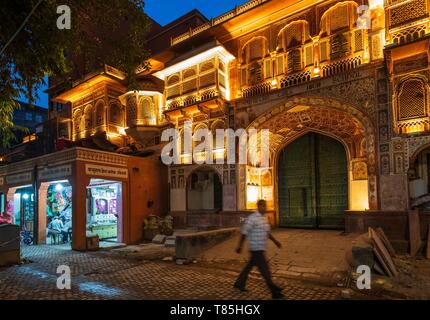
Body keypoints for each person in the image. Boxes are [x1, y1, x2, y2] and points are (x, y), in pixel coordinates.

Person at [234, 199, 284, 299]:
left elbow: (267, 232)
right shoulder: (252, 218)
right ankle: (274, 291)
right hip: (255, 249)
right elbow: (244, 232)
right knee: (265, 271)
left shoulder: (264, 218)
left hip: (261, 248)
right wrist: (239, 246)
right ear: (259, 206)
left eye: (266, 206)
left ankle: (239, 283)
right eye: (263, 206)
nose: (265, 208)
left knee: (249, 267)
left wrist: (275, 241)